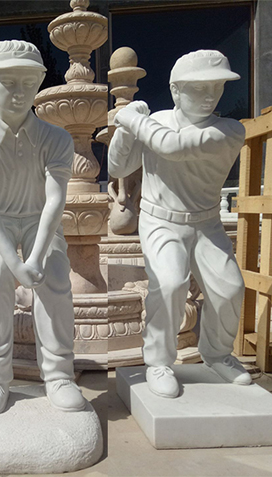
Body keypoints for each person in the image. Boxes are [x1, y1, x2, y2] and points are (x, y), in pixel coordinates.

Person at [108, 49, 249, 398]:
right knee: (170, 284)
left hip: (206, 223)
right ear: (175, 91)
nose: (208, 96)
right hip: (160, 221)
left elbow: (171, 147)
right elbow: (117, 168)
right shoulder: (155, 121)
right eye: (198, 88)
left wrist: (133, 119)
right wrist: (127, 128)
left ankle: (217, 354)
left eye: (215, 88)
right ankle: (157, 361)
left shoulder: (229, 130)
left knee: (230, 288)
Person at [0, 40, 86, 415]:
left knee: (57, 279)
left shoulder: (56, 138)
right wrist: (15, 266)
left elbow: (55, 201)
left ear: (41, 82)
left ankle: (59, 374)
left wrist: (38, 255)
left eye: (28, 82)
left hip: (38, 222)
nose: (18, 91)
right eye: (8, 81)